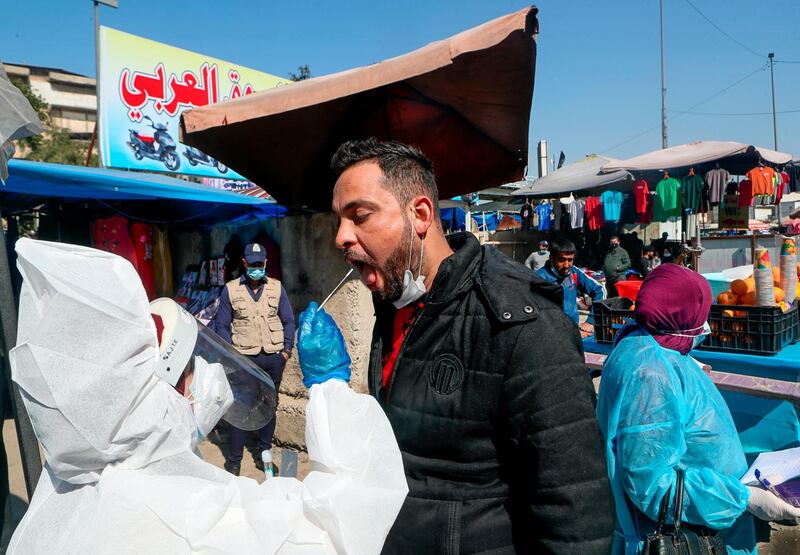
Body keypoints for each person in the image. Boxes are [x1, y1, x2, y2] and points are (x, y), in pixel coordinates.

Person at [7, 238, 407, 554]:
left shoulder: (60, 495)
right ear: (155, 389)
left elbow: (283, 318)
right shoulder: (199, 519)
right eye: (190, 367)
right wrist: (332, 389)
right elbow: (348, 527)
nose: (204, 377)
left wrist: (283, 347)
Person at [329, 138, 614, 554]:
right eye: (338, 220)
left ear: (420, 214)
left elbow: (574, 511)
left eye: (360, 216)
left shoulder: (519, 321)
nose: (341, 238)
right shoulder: (394, 305)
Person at [596, 264, 800, 555]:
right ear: (677, 315)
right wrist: (743, 498)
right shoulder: (650, 374)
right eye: (700, 315)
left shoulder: (650, 342)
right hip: (690, 535)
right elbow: (652, 486)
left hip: (711, 524)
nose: (704, 326)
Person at [212, 243, 295, 476]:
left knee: (269, 407)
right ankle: (235, 460)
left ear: (265, 263)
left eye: (260, 264)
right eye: (252, 264)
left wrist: (286, 351)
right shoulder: (230, 290)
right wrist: (232, 356)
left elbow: (288, 320)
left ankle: (264, 455)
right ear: (245, 263)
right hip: (245, 359)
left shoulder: (277, 288)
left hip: (273, 358)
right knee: (242, 408)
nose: (256, 268)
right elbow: (222, 325)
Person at [536, 236, 605, 338]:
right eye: (562, 260)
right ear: (551, 258)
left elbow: (599, 290)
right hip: (549, 336)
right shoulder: (539, 279)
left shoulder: (574, 272)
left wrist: (591, 321)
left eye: (570, 260)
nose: (566, 265)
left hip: (574, 332)